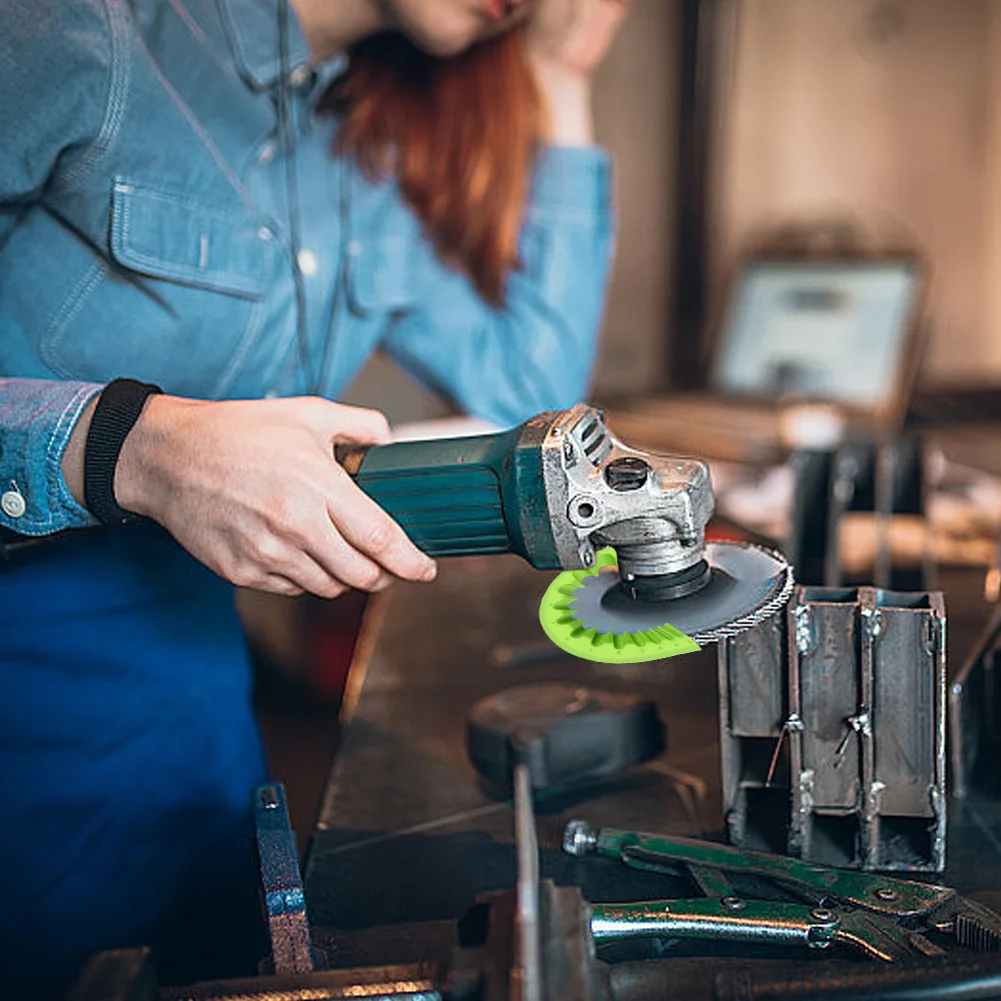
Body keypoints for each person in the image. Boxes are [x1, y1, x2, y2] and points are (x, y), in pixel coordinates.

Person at [0, 0, 625, 992]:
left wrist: (563, 74)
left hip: (195, 739)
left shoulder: (358, 146)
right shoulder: (79, 29)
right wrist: (134, 443)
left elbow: (526, 405)